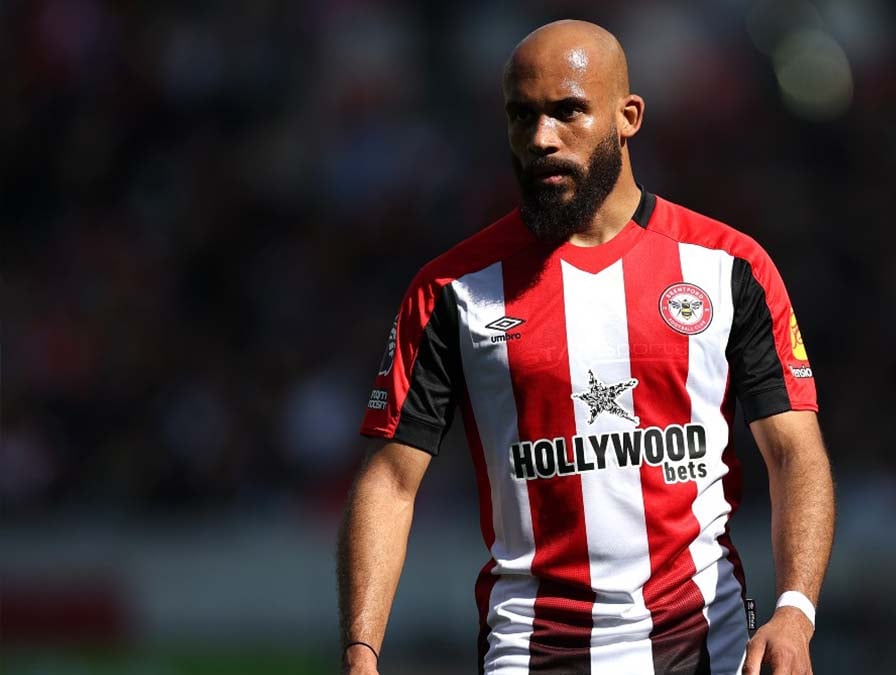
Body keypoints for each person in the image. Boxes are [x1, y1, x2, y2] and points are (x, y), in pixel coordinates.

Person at [338, 19, 835, 675]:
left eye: (567, 111)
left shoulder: (728, 266)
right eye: (522, 115)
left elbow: (795, 452)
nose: (541, 138)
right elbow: (390, 481)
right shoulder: (450, 290)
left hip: (703, 648)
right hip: (530, 651)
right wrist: (360, 651)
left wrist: (795, 609)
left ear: (628, 117)